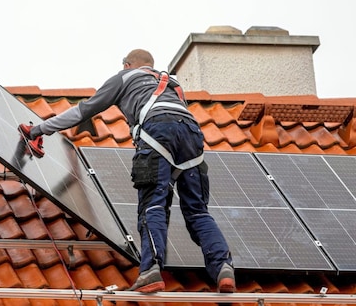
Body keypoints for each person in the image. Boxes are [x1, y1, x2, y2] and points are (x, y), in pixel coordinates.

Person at [20, 49, 235, 293]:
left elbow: (83, 111)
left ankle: (150, 271)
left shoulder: (124, 77)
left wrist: (39, 130)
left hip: (157, 133)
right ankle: (223, 268)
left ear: (127, 64)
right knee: (197, 211)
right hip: (192, 136)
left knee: (153, 204)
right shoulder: (173, 85)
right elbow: (177, 122)